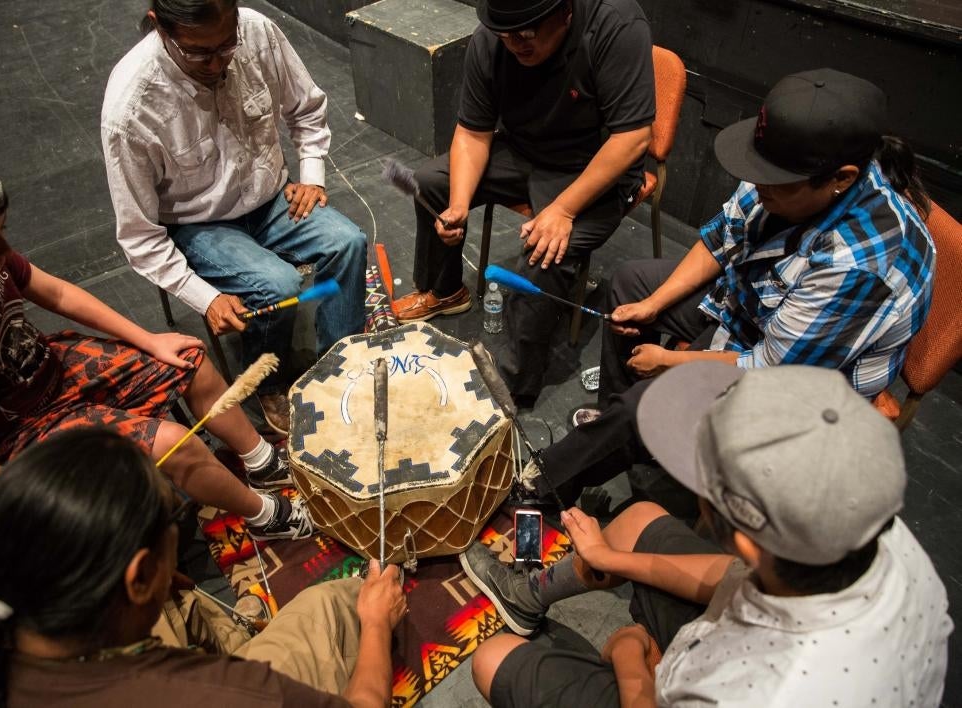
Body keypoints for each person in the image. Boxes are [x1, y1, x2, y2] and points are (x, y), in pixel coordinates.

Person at [524, 68, 935, 500]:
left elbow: (768, 371)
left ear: (842, 178)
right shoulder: (782, 173)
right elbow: (723, 237)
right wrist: (655, 304)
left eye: (773, 184)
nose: (757, 188)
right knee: (633, 286)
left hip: (807, 382)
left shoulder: (856, 266)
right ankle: (622, 434)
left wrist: (667, 361)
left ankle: (548, 483)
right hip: (760, 310)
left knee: (644, 407)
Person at [462, 362, 952, 706]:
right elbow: (733, 573)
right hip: (755, 638)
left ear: (742, 536)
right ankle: (527, 596)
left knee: (492, 659)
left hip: (706, 681)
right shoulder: (872, 527)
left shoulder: (754, 690)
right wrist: (610, 560)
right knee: (636, 521)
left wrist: (631, 659)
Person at [0, 144, 310, 540]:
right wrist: (55, 492)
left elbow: (57, 294)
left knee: (189, 359)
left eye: (1, 233)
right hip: (17, 429)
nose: (4, 249)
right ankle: (266, 517)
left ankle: (261, 462)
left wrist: (149, 341)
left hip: (49, 370)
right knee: (176, 445)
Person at [0, 428, 407, 707]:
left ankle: (237, 634)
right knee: (336, 601)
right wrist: (376, 620)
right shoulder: (224, 697)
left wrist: (160, 588)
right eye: (172, 534)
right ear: (138, 576)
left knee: (182, 603)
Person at [101, 0, 368, 434]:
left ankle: (342, 363)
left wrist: (313, 175)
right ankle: (268, 383)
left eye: (227, 46)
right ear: (159, 27)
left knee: (349, 242)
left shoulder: (257, 30)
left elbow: (306, 107)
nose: (217, 63)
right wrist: (205, 298)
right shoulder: (131, 108)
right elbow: (139, 236)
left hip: (270, 195)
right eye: (199, 53)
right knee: (276, 284)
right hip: (197, 222)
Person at [392, 0, 655, 404]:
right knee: (433, 185)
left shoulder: (615, 25)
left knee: (543, 254)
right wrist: (459, 206)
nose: (514, 43)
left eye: (527, 34)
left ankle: (510, 384)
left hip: (594, 167)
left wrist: (564, 210)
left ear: (565, 13)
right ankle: (445, 291)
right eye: (505, 34)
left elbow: (633, 138)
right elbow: (473, 132)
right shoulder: (493, 37)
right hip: (522, 150)